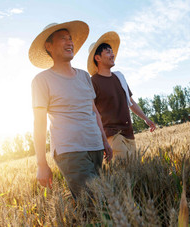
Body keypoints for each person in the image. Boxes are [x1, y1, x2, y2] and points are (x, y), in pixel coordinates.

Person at [29, 21, 112, 199]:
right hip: (70, 151)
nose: (69, 42)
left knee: (99, 203)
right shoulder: (41, 80)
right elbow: (39, 122)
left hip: (95, 146)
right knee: (95, 202)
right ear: (48, 46)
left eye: (70, 39)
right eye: (63, 39)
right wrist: (41, 164)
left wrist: (104, 141)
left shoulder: (83, 76)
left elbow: (94, 111)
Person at [87, 31, 156, 159]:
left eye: (112, 51)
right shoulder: (93, 82)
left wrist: (145, 118)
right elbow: (91, 112)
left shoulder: (119, 77)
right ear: (98, 58)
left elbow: (130, 102)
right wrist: (100, 140)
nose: (112, 54)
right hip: (111, 135)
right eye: (108, 52)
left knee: (134, 171)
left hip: (129, 133)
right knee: (123, 170)